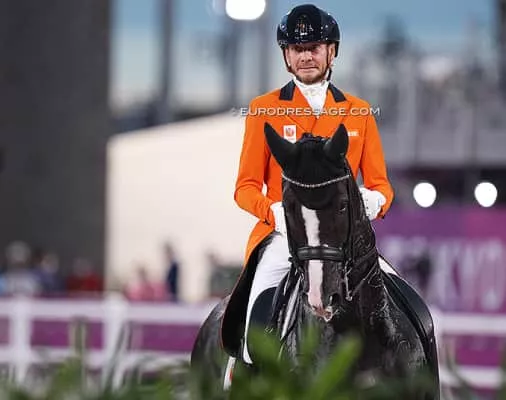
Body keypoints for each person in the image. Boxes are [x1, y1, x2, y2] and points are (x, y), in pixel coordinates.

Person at [233, 4, 395, 365]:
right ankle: (240, 373)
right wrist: (272, 212)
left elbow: (382, 186)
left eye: (314, 48)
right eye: (297, 49)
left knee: (408, 302)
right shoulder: (263, 109)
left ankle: (420, 372)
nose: (306, 56)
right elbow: (245, 187)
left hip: (345, 240)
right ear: (286, 56)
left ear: (331, 52)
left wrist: (374, 201)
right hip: (285, 237)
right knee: (254, 307)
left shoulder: (358, 111)